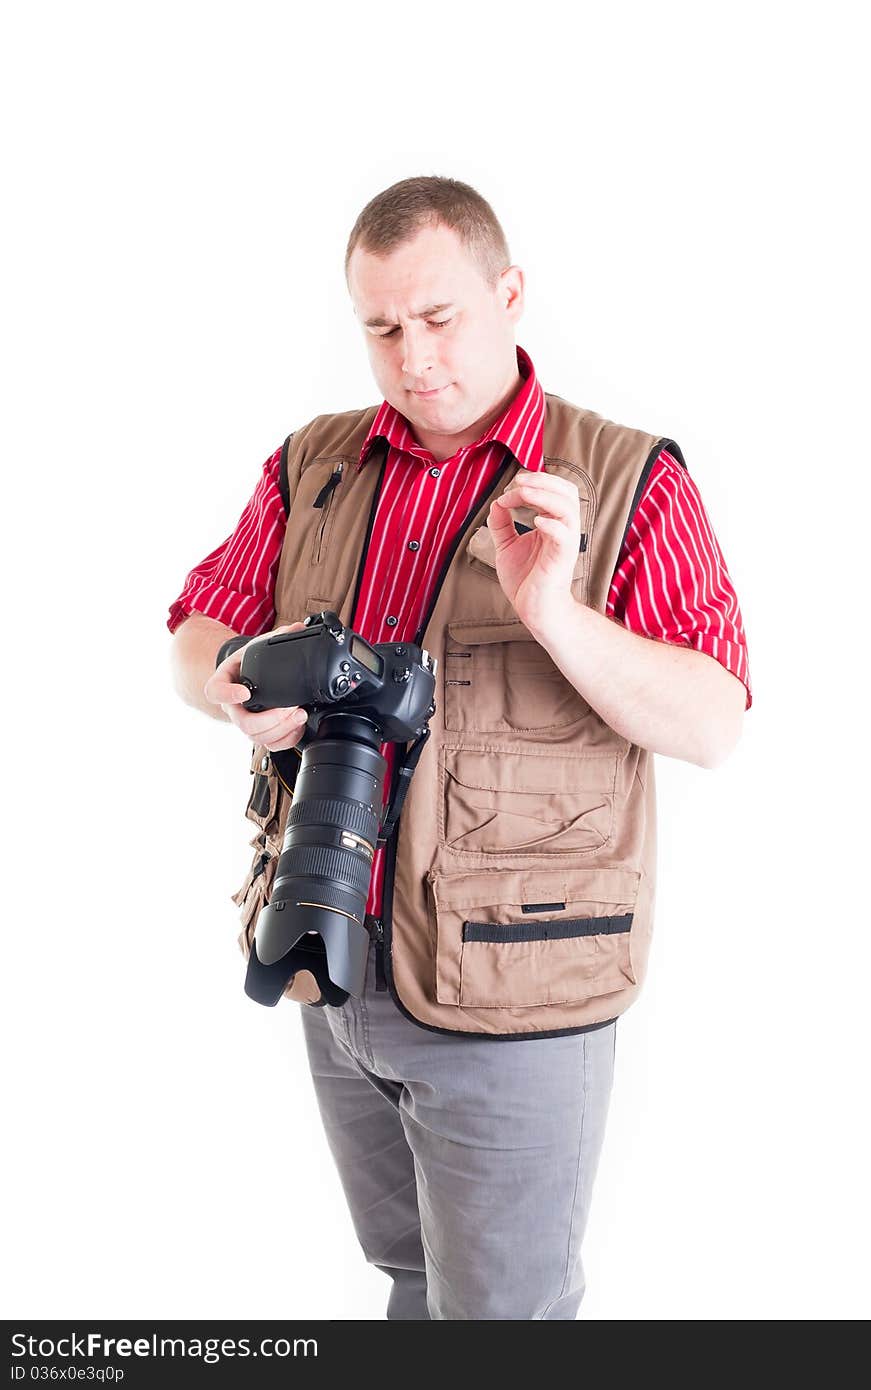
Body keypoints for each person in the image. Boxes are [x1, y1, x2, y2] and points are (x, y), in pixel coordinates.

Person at [168, 175, 751, 1320]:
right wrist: (234, 682)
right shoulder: (316, 463)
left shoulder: (627, 479)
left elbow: (714, 719)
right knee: (409, 1279)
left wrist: (557, 616)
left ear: (509, 293)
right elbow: (195, 627)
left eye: (439, 319)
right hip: (328, 956)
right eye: (381, 328)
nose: (412, 357)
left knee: (503, 1313)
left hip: (519, 990)